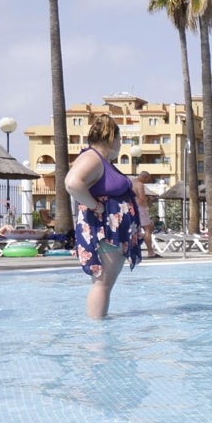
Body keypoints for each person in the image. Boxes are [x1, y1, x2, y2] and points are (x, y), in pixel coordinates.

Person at [65, 113, 142, 318]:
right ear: (112, 137)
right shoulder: (92, 158)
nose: (120, 144)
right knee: (102, 283)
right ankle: (98, 335)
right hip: (104, 231)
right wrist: (94, 205)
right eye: (120, 139)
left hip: (110, 231)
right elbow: (72, 182)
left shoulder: (100, 160)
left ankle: (99, 328)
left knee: (105, 283)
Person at [131, 170, 159, 258]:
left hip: (132, 208)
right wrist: (148, 202)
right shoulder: (140, 184)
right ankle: (150, 252)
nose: (146, 182)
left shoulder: (131, 183)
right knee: (148, 229)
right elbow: (142, 199)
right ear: (144, 177)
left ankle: (133, 252)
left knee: (133, 230)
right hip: (140, 208)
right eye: (147, 180)